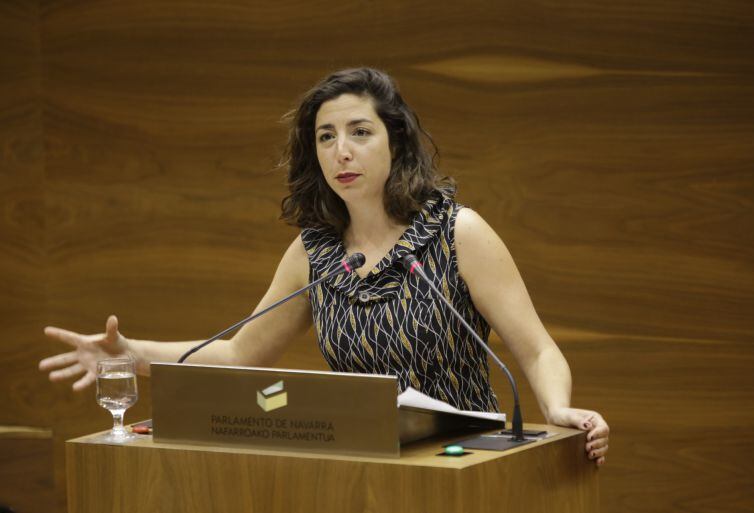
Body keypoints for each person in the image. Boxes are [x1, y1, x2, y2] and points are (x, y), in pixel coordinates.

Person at [39, 68, 609, 466]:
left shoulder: (459, 232)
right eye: (326, 137)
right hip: (361, 465)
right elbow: (240, 354)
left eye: (361, 133)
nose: (342, 151)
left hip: (465, 464)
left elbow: (534, 348)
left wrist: (557, 407)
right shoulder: (315, 253)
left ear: (397, 141)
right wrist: (131, 354)